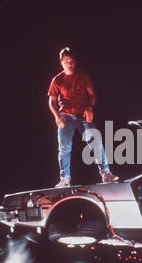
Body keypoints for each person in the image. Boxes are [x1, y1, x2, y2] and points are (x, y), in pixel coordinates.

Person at [48, 47, 118, 187]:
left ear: (75, 61)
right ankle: (65, 179)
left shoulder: (83, 76)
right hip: (65, 116)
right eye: (66, 61)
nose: (69, 64)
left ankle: (106, 173)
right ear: (61, 62)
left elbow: (92, 95)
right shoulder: (57, 80)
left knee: (95, 142)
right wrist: (57, 116)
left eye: (72, 61)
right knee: (64, 148)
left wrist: (89, 107)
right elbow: (51, 102)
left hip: (82, 114)